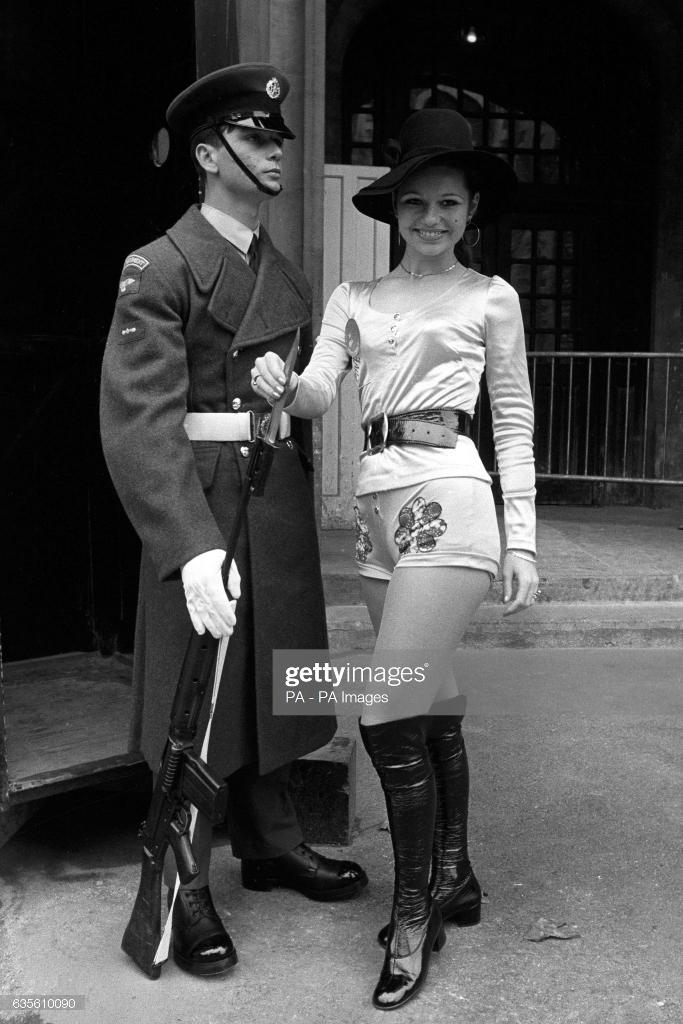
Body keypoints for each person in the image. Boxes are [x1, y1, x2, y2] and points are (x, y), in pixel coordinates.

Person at [252, 107, 539, 1010]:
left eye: (447, 203)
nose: (430, 219)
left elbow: (513, 417)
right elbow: (316, 393)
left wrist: (523, 535)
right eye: (415, 203)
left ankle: (413, 914)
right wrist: (280, 387)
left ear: (471, 208)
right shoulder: (355, 298)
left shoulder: (490, 296)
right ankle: (455, 873)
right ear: (393, 210)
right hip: (376, 510)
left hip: (449, 495)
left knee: (382, 709)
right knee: (429, 708)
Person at [100, 63, 367, 979]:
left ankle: (272, 840)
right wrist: (187, 546)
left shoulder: (281, 272)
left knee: (275, 675)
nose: (274, 154)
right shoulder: (161, 265)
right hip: (204, 496)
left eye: (277, 139)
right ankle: (184, 880)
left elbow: (296, 394)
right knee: (197, 694)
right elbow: (138, 422)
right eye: (255, 139)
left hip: (272, 490)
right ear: (210, 156)